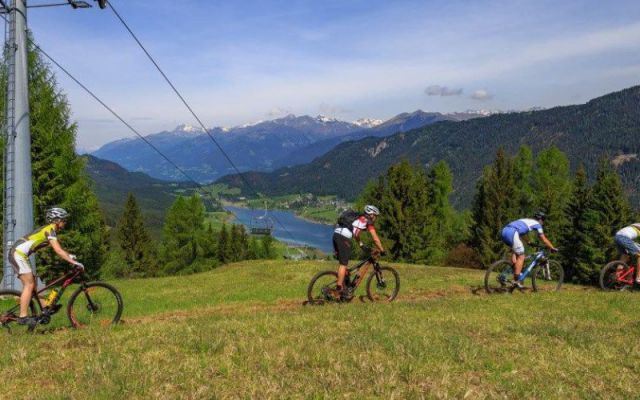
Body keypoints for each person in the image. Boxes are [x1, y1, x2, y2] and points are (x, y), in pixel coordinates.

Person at [9, 207, 84, 330]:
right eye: (63, 220)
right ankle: (22, 317)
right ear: (56, 220)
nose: (64, 223)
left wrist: (69, 256)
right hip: (17, 254)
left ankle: (45, 308)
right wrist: (74, 262)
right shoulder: (50, 230)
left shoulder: (50, 230)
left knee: (33, 283)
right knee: (29, 284)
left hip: (21, 254)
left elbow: (57, 249)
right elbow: (58, 250)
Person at [333, 205, 384, 299]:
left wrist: (361, 245)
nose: (375, 218)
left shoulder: (359, 218)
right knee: (343, 264)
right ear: (372, 214)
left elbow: (356, 234)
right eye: (375, 215)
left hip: (336, 234)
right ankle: (339, 289)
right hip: (344, 237)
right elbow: (375, 238)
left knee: (343, 264)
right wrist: (382, 249)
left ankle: (345, 285)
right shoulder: (368, 221)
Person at [500, 211, 557, 288]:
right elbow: (543, 239)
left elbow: (522, 233)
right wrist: (552, 247)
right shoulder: (537, 225)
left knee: (516, 255)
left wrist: (529, 242)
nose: (543, 222)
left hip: (504, 231)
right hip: (513, 233)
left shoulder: (526, 220)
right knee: (521, 256)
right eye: (543, 220)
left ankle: (504, 276)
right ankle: (516, 280)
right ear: (540, 219)